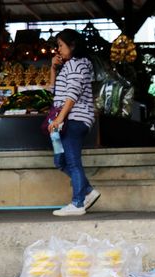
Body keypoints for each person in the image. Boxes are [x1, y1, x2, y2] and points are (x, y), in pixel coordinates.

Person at [48, 29, 100, 216]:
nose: (58, 50)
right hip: (67, 119)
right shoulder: (70, 66)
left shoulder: (78, 64)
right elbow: (54, 92)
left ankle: (78, 203)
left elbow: (72, 94)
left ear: (73, 45)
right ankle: (87, 191)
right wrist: (54, 69)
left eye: (61, 45)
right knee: (61, 161)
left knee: (72, 160)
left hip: (75, 118)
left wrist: (60, 118)